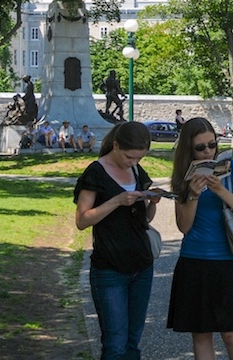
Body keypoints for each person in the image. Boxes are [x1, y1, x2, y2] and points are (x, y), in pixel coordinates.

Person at [167, 117, 233, 360]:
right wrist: (193, 195)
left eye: (212, 145)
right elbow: (184, 226)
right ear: (188, 149)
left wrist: (220, 191)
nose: (208, 152)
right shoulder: (182, 175)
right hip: (195, 260)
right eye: (200, 147)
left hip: (228, 259)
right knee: (202, 335)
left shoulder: (232, 168)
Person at [74, 121, 159, 360]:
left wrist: (151, 203)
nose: (134, 163)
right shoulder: (95, 172)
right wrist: (116, 201)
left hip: (142, 265)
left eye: (139, 159)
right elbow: (82, 220)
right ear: (116, 146)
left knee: (133, 342)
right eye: (130, 157)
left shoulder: (137, 172)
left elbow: (145, 220)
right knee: (115, 343)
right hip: (110, 268)